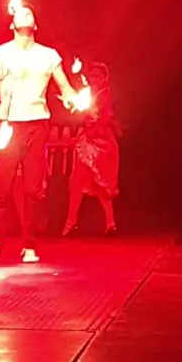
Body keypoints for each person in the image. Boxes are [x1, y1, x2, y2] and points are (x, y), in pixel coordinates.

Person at [0, 5, 76, 264]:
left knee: (33, 190)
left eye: (30, 13)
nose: (25, 13)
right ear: (12, 24)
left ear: (35, 25)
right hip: (9, 126)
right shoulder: (0, 53)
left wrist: (71, 98)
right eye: (20, 13)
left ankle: (29, 244)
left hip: (37, 125)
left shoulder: (48, 55)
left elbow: (65, 87)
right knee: (2, 189)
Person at [62, 62, 119, 237]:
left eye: (97, 76)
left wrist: (94, 127)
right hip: (90, 141)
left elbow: (106, 118)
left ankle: (109, 223)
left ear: (104, 78)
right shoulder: (90, 94)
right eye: (92, 75)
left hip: (100, 144)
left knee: (101, 185)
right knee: (79, 182)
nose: (94, 79)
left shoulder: (103, 94)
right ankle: (72, 223)